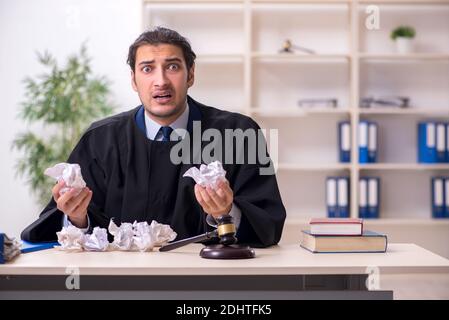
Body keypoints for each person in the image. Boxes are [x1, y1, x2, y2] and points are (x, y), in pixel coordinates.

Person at [21, 27, 286, 248]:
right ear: (134, 81)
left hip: (208, 283)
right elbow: (56, 227)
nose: (161, 81)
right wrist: (78, 218)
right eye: (147, 69)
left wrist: (224, 214)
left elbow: (269, 225)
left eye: (172, 66)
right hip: (119, 285)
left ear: (191, 74)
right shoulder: (100, 140)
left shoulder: (238, 134)